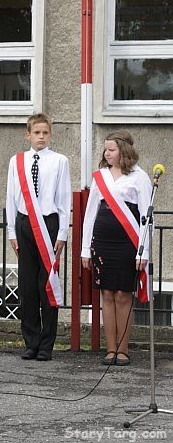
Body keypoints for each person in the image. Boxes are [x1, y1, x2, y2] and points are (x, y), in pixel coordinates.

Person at [81, 131, 151, 367]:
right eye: (105, 150)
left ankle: (123, 349)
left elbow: (145, 217)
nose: (106, 153)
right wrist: (85, 250)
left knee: (123, 295)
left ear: (123, 150)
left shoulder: (139, 177)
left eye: (111, 149)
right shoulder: (100, 176)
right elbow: (90, 214)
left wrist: (144, 252)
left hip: (127, 244)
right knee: (107, 294)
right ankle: (110, 349)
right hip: (102, 242)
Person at [6, 113, 71, 362]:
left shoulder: (59, 161)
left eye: (45, 133)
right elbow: (11, 197)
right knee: (28, 287)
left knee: (47, 286)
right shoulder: (17, 161)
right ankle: (30, 342)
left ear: (50, 134)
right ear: (28, 134)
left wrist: (62, 233)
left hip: (48, 223)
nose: (41, 137)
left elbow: (64, 199)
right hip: (24, 223)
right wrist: (12, 231)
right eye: (37, 133)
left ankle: (47, 344)